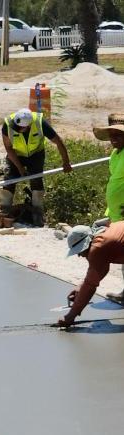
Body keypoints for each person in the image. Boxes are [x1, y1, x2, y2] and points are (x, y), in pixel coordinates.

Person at [0, 108, 72, 226]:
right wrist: (20, 168)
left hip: (36, 154)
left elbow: (58, 141)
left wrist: (66, 162)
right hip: (16, 154)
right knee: (9, 181)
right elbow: (8, 148)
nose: (16, 129)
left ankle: (37, 216)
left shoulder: (40, 123)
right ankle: (3, 213)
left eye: (20, 128)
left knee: (36, 182)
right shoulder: (8, 124)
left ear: (27, 126)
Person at [55, 222, 124, 327]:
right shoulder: (101, 234)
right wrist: (81, 286)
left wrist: (70, 316)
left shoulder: (98, 247)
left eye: (79, 250)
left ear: (86, 243)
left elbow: (90, 286)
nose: (79, 255)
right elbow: (99, 271)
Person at [93, 113, 124, 302]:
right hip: (117, 213)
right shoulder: (115, 153)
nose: (113, 139)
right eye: (111, 135)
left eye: (118, 135)